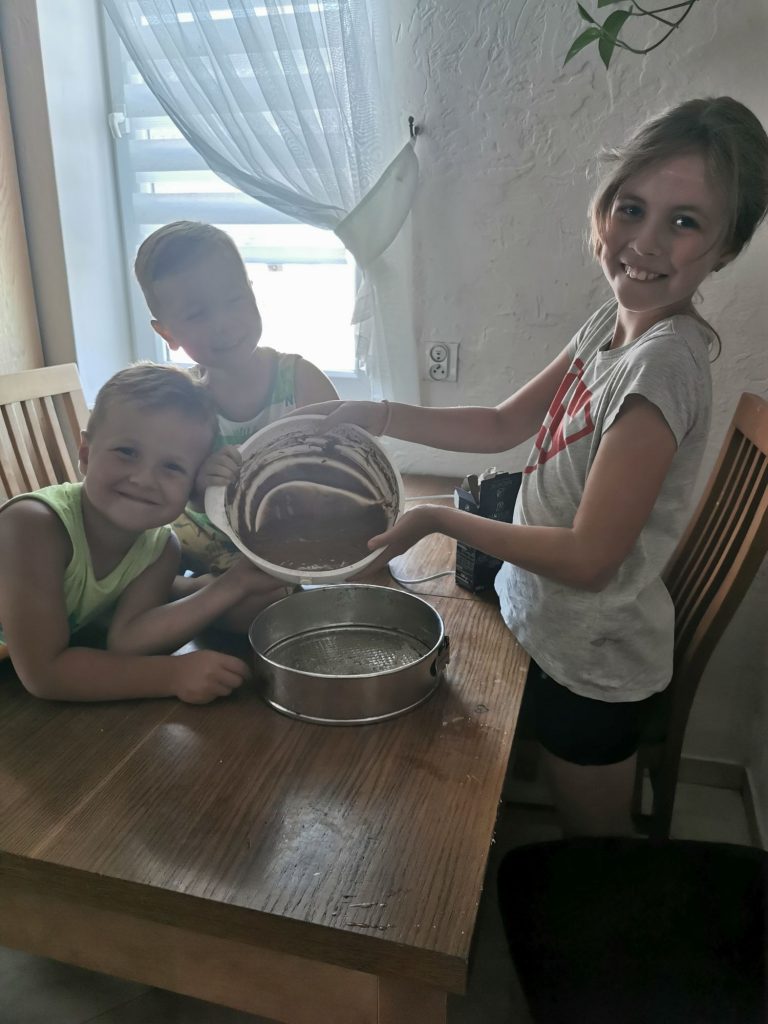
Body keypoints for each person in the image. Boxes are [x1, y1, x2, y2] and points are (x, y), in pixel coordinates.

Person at [293, 97, 768, 836]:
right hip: (538, 619)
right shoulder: (611, 322)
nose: (644, 242)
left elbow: (588, 559)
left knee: (595, 852)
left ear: (726, 248)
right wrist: (378, 414)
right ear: (604, 209)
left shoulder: (662, 368)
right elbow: (501, 424)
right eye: (631, 208)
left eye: (684, 222)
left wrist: (438, 520)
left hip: (589, 668)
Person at [0, 363, 281, 703]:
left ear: (192, 486)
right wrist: (172, 675)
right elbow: (44, 673)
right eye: (127, 452)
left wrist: (234, 584)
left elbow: (128, 641)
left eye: (172, 467)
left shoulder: (161, 547)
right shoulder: (32, 526)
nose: (145, 479)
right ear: (86, 454)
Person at [133, 221, 338, 591]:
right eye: (197, 314)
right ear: (167, 333)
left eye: (234, 300)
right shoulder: (183, 404)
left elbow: (344, 464)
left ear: (252, 293)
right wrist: (203, 484)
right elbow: (183, 496)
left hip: (301, 533)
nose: (223, 324)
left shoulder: (301, 380)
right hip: (219, 549)